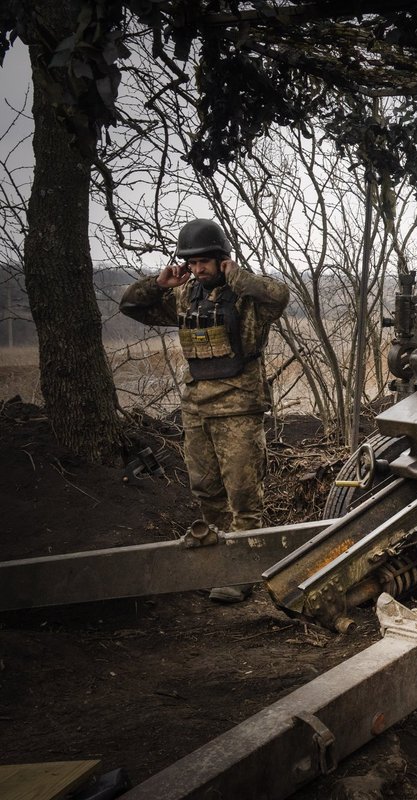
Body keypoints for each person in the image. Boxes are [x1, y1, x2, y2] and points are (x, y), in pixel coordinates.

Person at [120, 218, 290, 604]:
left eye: (204, 263)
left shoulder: (246, 299)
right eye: (191, 263)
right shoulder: (184, 296)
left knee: (244, 496)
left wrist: (239, 277)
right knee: (207, 491)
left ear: (221, 259)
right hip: (197, 407)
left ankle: (243, 571)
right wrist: (159, 284)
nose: (197, 269)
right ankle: (218, 565)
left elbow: (279, 296)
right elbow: (130, 305)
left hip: (239, 408)